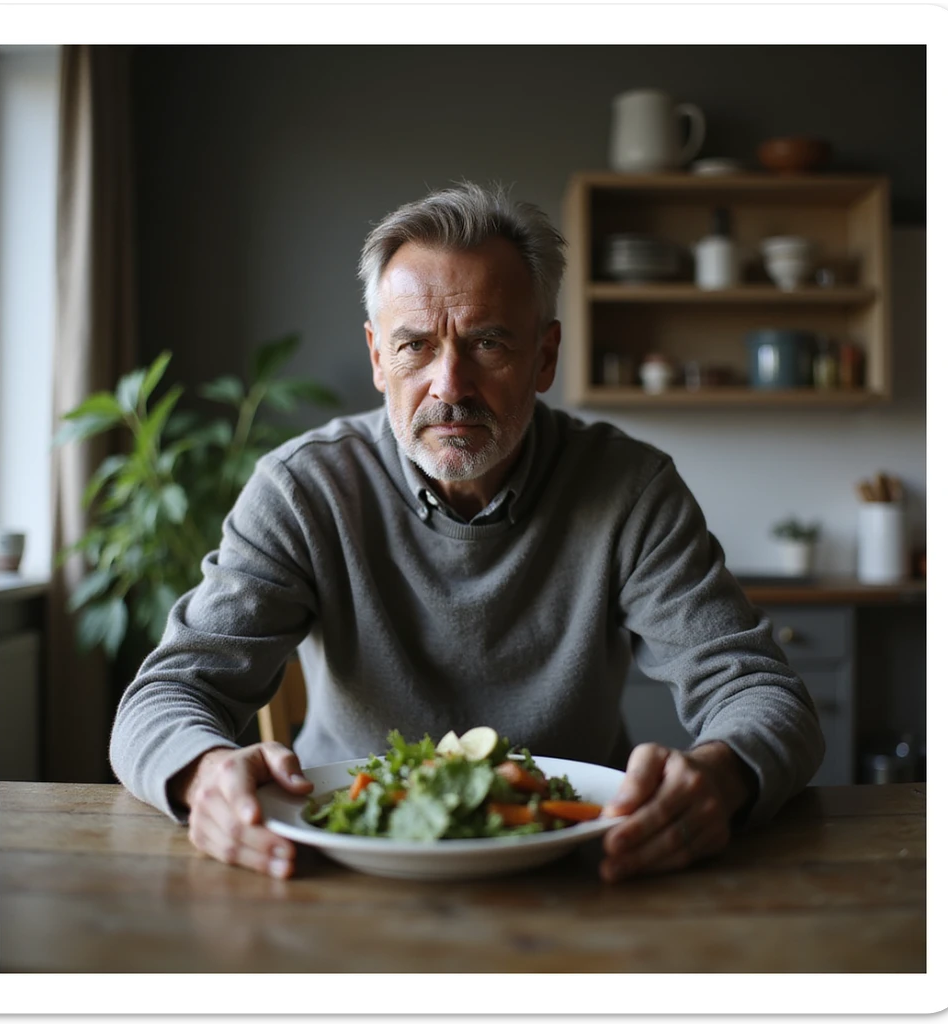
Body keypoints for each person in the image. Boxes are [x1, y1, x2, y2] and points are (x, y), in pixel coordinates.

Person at [109, 182, 824, 884]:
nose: (450, 386)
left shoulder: (629, 490)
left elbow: (762, 694)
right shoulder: (302, 490)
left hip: (578, 864)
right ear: (377, 357)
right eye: (415, 346)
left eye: (487, 343)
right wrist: (204, 775)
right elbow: (165, 695)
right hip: (340, 862)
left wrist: (721, 778)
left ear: (545, 357)